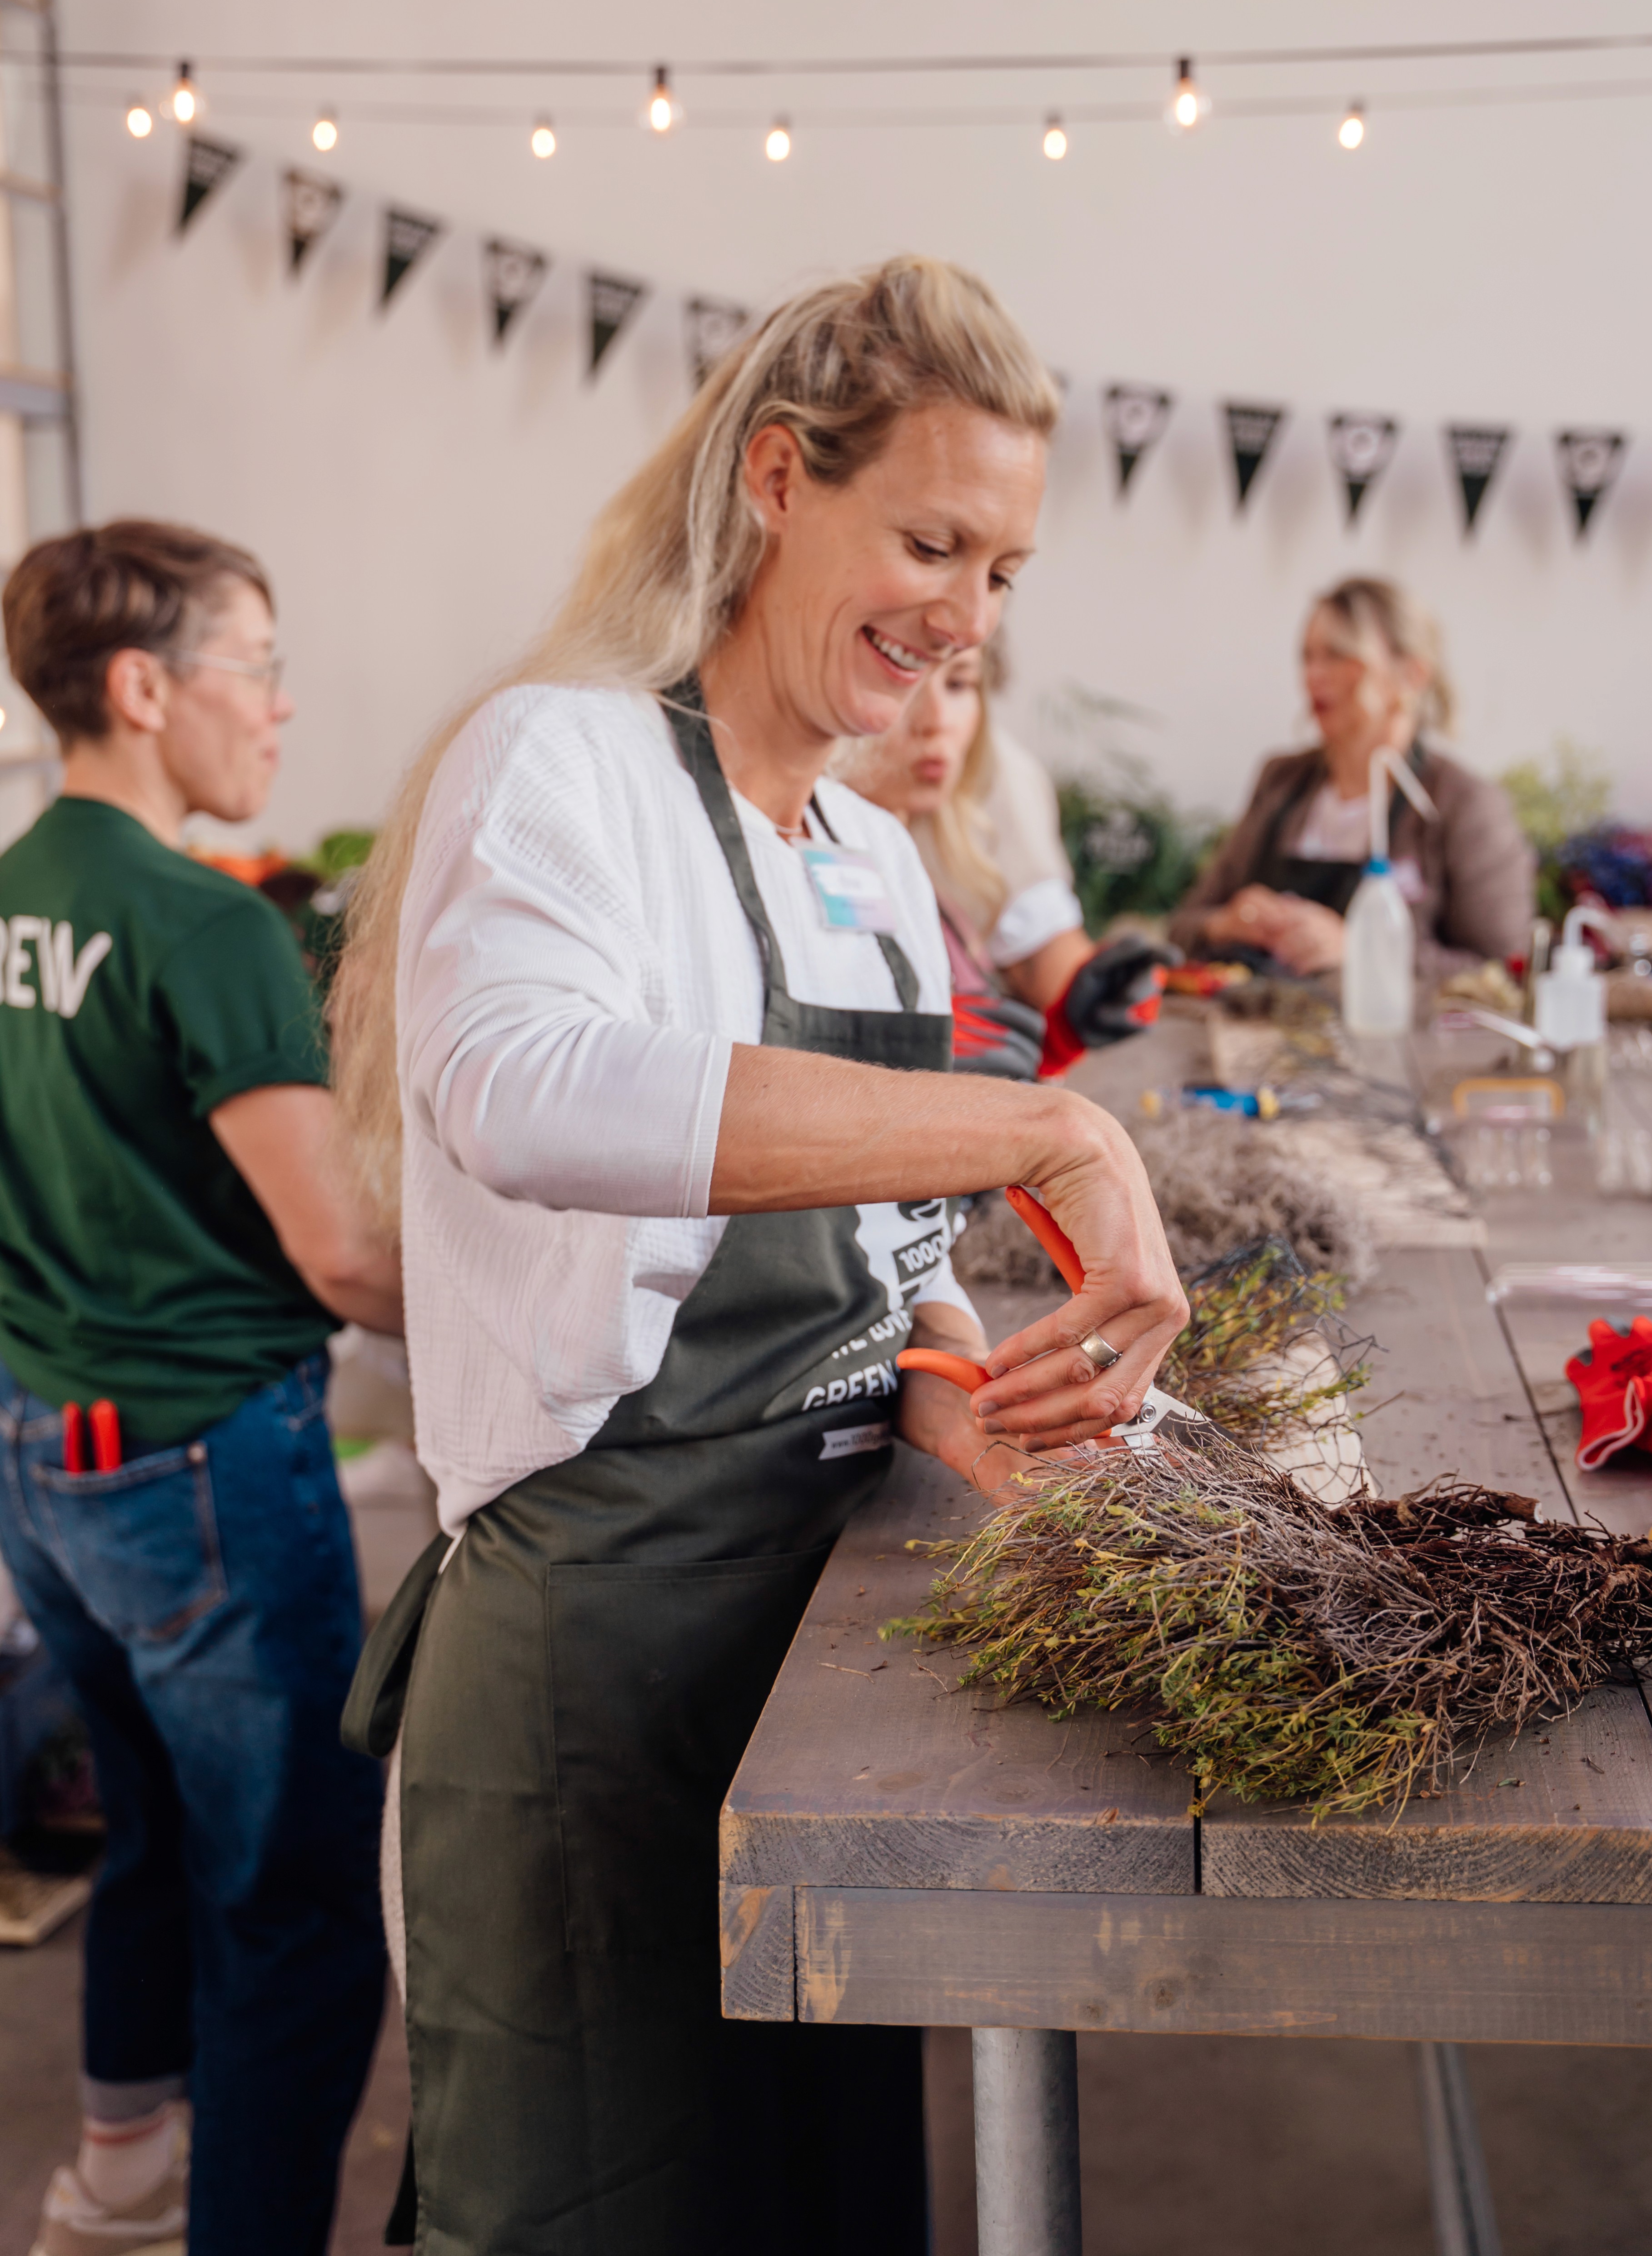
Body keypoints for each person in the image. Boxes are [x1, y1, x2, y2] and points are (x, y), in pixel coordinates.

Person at [330, 256, 1189, 2253]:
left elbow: (885, 1258)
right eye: (931, 538)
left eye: (1003, 572)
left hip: (818, 1682)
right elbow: (519, 1091)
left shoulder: (878, 862)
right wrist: (1048, 1121)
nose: (965, 615)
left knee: (810, 2195)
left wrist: (980, 1392)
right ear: (782, 479)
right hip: (592, 1672)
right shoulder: (561, 762)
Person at [0, 522, 401, 2256]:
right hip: (204, 1472)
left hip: (45, 1458)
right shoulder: (199, 918)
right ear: (144, 686)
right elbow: (345, 1256)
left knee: (151, 1821)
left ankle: (114, 2184)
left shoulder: (13, 901)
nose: (281, 702)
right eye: (254, 658)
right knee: (298, 1911)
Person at [1169, 575, 1534, 981]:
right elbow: (1181, 927)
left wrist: (1366, 950)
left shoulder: (1462, 804)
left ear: (1411, 675)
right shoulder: (1280, 781)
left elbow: (1505, 969)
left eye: (1338, 655)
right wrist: (1225, 924)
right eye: (1307, 657)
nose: (1313, 675)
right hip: (1247, 1037)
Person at [842, 639, 1160, 1078]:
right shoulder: (813, 857)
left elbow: (1002, 1047)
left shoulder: (925, 866)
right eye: (902, 680)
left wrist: (1064, 1028)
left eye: (959, 683)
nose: (936, 722)